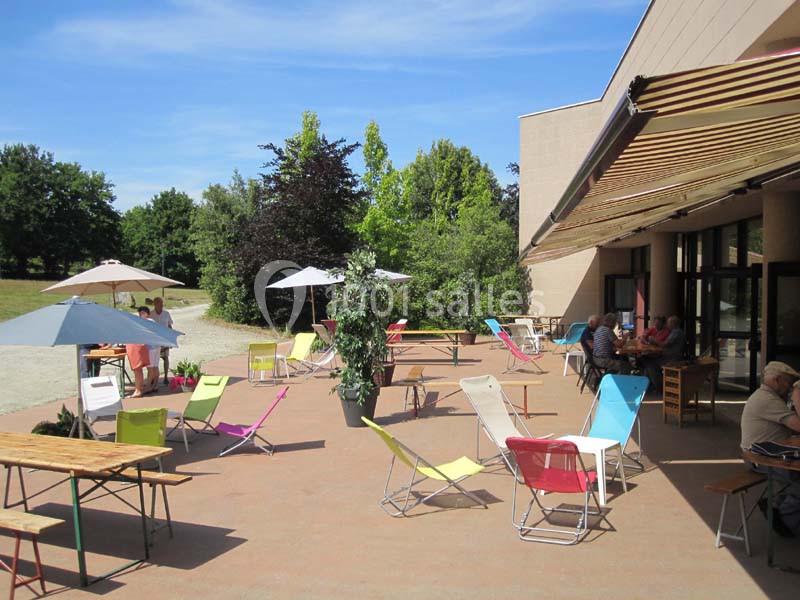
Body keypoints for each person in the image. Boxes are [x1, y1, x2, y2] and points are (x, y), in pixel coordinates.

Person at [741, 362, 800, 537]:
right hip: (760, 459)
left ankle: (779, 505)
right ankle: (782, 515)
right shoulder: (767, 399)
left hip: (769, 453)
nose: (789, 387)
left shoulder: (767, 396)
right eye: (788, 382)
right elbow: (798, 426)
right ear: (776, 380)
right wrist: (797, 397)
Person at [641, 316, 687, 391]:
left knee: (650, 363)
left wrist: (654, 341)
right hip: (668, 356)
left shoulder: (676, 332)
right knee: (648, 360)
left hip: (671, 358)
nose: (667, 325)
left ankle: (659, 387)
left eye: (668, 323)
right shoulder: (676, 331)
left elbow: (665, 344)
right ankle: (647, 385)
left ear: (673, 324)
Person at [125, 307, 152, 398]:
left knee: (137, 370)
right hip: (138, 347)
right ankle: (138, 389)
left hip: (135, 347)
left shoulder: (143, 323)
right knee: (138, 370)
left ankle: (138, 390)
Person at [152, 296, 174, 385]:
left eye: (162, 304)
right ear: (154, 304)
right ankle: (153, 377)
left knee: (165, 358)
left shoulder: (166, 313)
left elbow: (170, 326)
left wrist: (171, 339)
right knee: (153, 360)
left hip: (164, 339)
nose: (161, 305)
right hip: (154, 340)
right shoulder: (151, 314)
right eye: (159, 303)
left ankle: (165, 377)